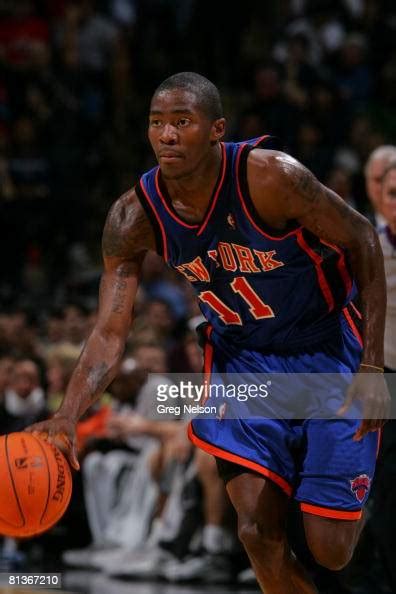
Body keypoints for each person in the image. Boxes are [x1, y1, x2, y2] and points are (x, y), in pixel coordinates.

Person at [26, 72, 389, 594]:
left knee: (329, 550)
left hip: (326, 347)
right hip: (244, 360)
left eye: (182, 122)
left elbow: (363, 240)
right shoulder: (133, 217)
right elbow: (109, 331)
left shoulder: (271, 177)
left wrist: (372, 366)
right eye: (157, 123)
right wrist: (67, 412)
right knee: (254, 532)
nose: (166, 135)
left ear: (217, 129)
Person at [364, 145, 396, 228]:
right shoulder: (356, 229)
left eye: (390, 179)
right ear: (367, 183)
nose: (384, 188)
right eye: (378, 180)